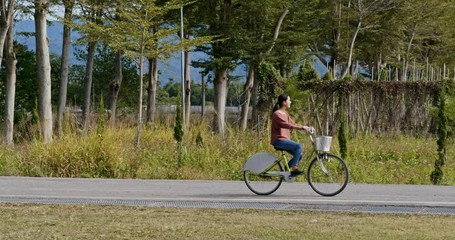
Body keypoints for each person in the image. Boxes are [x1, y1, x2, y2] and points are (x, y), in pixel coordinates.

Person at [271, 93, 311, 177]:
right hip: (278, 140)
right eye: (289, 100)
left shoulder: (285, 114)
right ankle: (294, 169)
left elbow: (293, 124)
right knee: (299, 147)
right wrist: (301, 128)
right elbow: (286, 125)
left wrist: (305, 127)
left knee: (299, 155)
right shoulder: (277, 114)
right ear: (284, 102)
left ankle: (286, 169)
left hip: (284, 140)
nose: (290, 102)